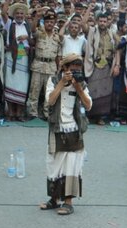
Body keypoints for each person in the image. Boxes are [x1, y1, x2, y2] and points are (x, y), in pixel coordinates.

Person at [39, 54, 92, 215]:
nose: (75, 73)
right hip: (57, 129)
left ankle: (68, 202)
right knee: (53, 165)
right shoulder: (54, 81)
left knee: (72, 167)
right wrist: (63, 82)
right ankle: (54, 199)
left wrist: (77, 87)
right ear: (64, 68)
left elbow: (88, 105)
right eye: (72, 70)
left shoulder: (81, 83)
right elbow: (50, 101)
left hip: (74, 131)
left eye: (77, 70)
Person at [82, 12, 117, 125]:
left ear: (108, 22)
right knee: (92, 90)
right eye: (100, 21)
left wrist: (116, 65)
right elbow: (83, 24)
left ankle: (100, 117)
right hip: (94, 65)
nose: (102, 23)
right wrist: (89, 9)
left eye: (104, 21)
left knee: (105, 92)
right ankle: (88, 115)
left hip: (107, 65)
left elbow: (119, 46)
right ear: (97, 21)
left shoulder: (112, 33)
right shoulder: (92, 31)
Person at [28, 10, 62, 120]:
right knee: (35, 90)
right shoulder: (39, 32)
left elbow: (58, 55)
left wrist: (59, 68)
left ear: (54, 23)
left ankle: (47, 113)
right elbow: (32, 30)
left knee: (49, 91)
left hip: (51, 66)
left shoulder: (57, 37)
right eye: (47, 21)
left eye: (52, 22)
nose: (49, 24)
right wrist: (36, 18)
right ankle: (32, 113)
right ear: (44, 22)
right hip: (38, 64)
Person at [3, 2, 32, 121]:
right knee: (10, 83)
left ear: (24, 15)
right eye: (17, 13)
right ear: (13, 15)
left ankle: (19, 113)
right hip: (11, 56)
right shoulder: (10, 23)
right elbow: (3, 12)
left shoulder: (28, 26)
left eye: (21, 13)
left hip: (24, 57)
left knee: (22, 85)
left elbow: (34, 40)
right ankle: (10, 112)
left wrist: (27, 38)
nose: (19, 15)